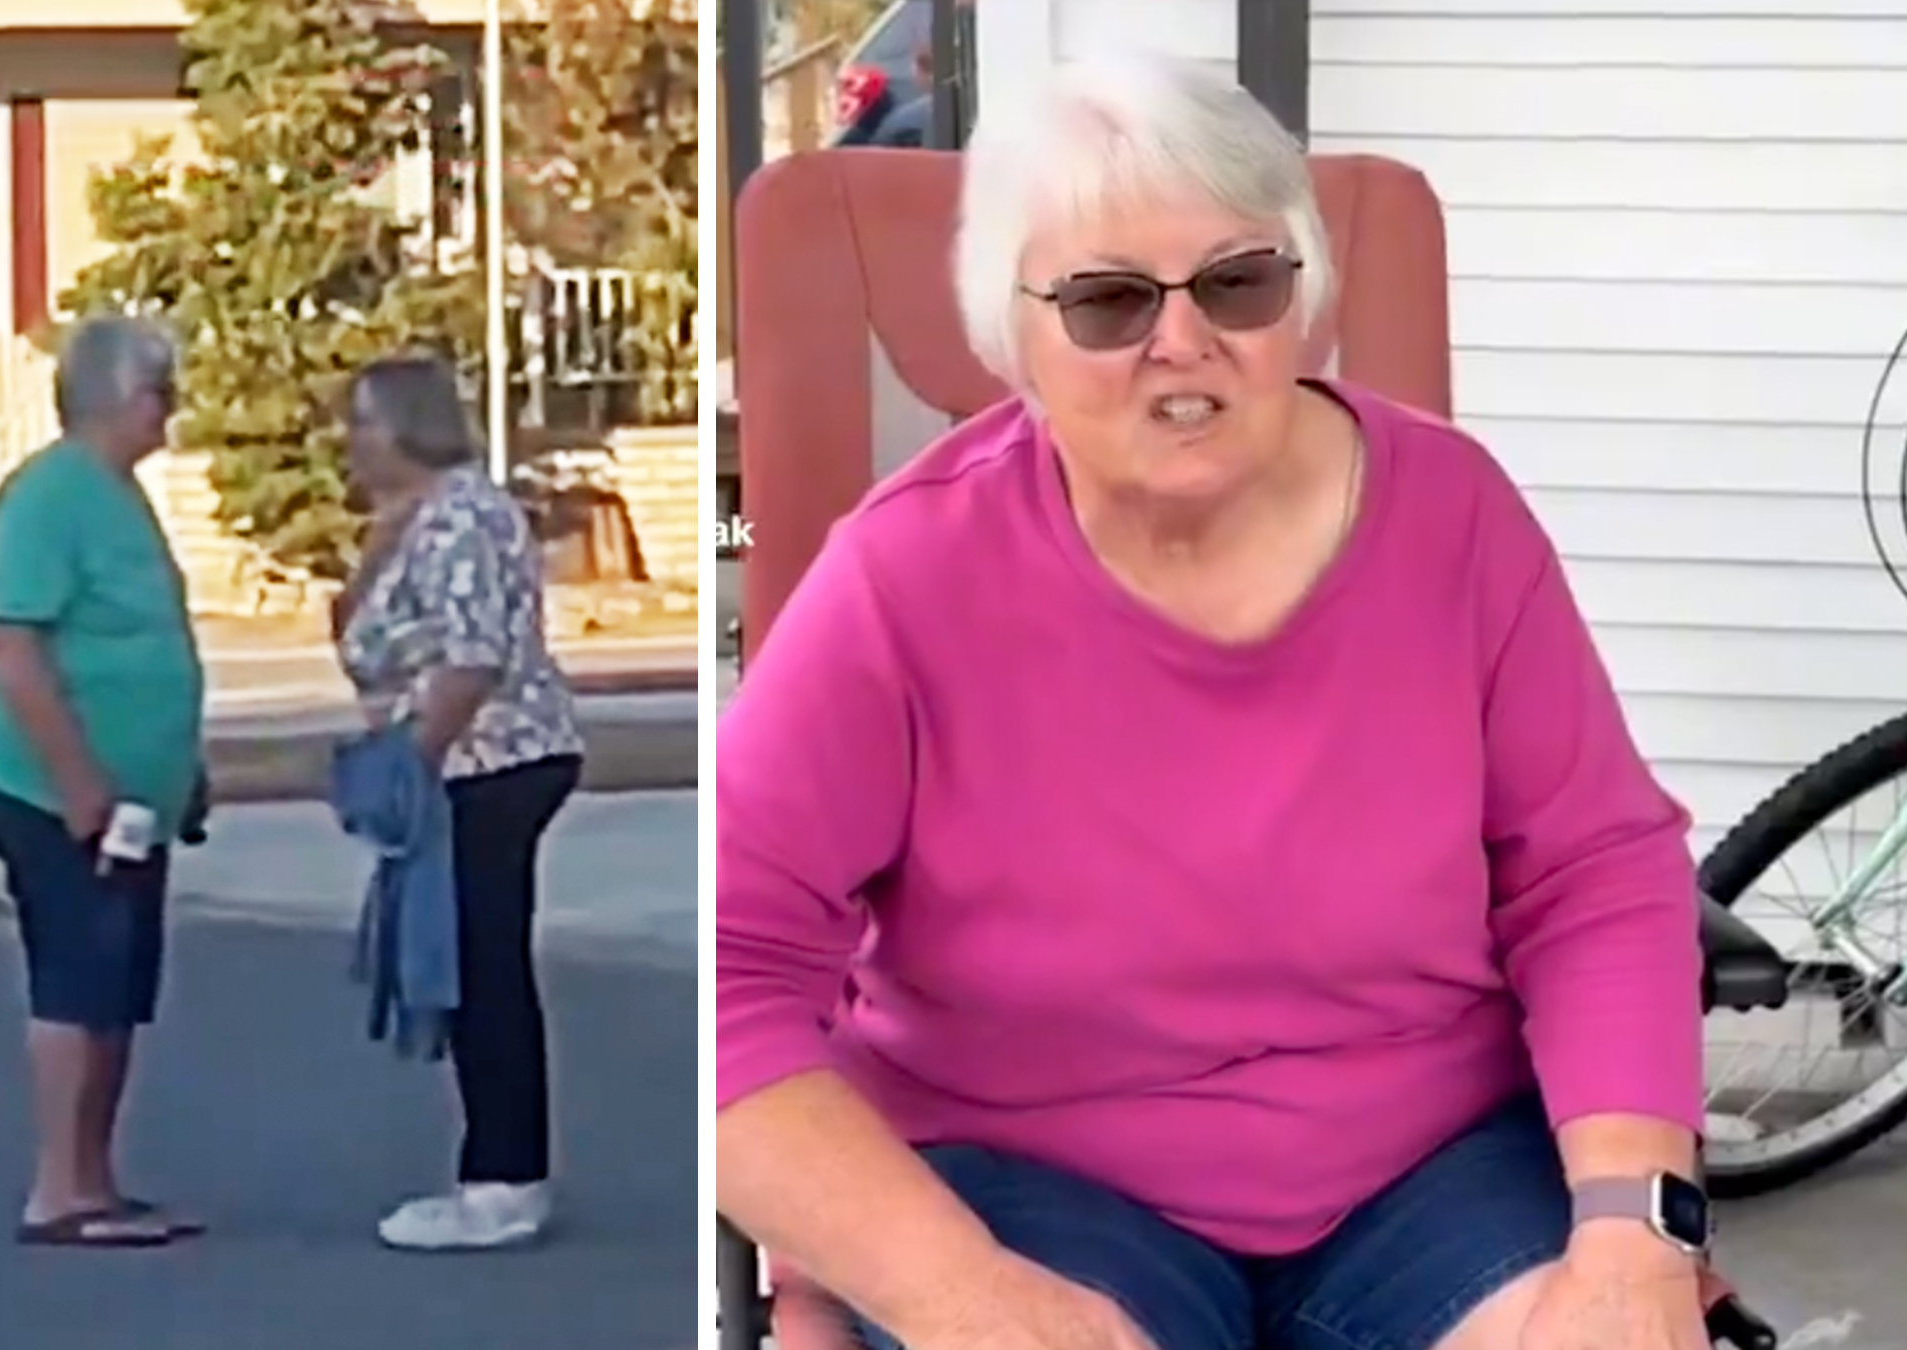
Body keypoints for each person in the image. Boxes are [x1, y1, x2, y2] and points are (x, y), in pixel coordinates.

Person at [716, 51, 1715, 1350]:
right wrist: (951, 1287)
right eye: (1108, 301)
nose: (1181, 342)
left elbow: (1595, 874)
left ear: (1300, 296)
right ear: (1010, 333)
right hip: (1037, 1183)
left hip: (1431, 1173)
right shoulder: (903, 577)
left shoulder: (1454, 517)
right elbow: (732, 967)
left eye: (1238, 282)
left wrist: (1639, 1234)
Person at [0, 314, 209, 1249]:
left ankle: (98, 1182)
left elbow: (138, 642)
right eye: (164, 393)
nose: (171, 413)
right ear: (125, 398)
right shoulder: (48, 497)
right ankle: (58, 1189)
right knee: (78, 970)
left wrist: (183, 771)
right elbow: (12, 647)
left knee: (121, 983)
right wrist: (79, 784)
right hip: (45, 788)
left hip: (133, 801)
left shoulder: (115, 493)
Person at [333, 353, 586, 1250]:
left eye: (364, 420)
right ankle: (498, 1169)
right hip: (463, 764)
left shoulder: (464, 519)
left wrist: (415, 765)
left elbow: (474, 658)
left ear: (411, 423)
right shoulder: (414, 519)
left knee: (483, 963)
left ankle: (505, 1180)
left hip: (492, 763)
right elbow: (362, 631)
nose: (350, 440)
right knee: (471, 960)